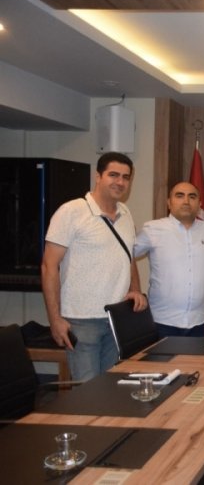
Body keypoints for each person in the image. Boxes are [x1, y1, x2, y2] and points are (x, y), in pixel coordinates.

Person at [41, 152, 147, 381]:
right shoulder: (71, 211)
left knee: (111, 388)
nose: (120, 182)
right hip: (81, 322)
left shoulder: (126, 213)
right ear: (98, 176)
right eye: (113, 175)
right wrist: (54, 319)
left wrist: (136, 290)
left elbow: (128, 257)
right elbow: (49, 266)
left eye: (126, 177)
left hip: (117, 319)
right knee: (86, 394)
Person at [134, 182, 204, 338]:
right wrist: (133, 289)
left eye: (192, 197)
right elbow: (126, 255)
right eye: (179, 196)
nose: (186, 201)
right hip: (163, 322)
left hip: (199, 322)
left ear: (199, 204)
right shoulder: (153, 229)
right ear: (169, 202)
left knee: (195, 357)